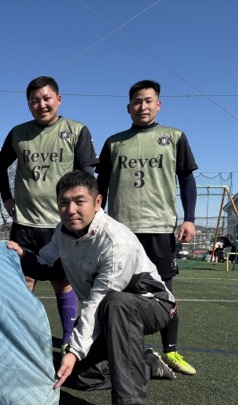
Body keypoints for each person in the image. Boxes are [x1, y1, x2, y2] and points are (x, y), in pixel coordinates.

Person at [8, 171, 176, 405]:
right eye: (64, 202)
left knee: (115, 303)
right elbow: (45, 263)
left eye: (79, 201)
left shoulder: (115, 241)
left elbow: (97, 303)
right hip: (107, 312)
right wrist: (21, 255)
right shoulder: (63, 231)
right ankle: (146, 363)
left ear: (97, 202)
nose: (70, 210)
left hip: (151, 304)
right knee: (82, 378)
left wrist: (74, 350)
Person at [97, 79, 198, 375]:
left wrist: (189, 218)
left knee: (164, 291)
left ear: (158, 104)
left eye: (148, 101)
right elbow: (101, 185)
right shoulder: (114, 142)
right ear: (128, 107)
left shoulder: (174, 137)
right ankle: (116, 350)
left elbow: (187, 179)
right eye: (137, 102)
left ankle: (171, 351)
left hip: (159, 227)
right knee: (116, 289)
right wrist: (97, 219)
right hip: (121, 230)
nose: (143, 106)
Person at [0, 76, 99, 351]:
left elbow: (87, 175)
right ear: (28, 104)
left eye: (46, 98)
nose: (41, 105)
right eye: (34, 101)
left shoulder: (76, 130)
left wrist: (84, 212)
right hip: (25, 222)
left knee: (62, 282)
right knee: (23, 282)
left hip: (60, 224)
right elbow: (0, 166)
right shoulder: (18, 133)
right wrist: (6, 197)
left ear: (58, 100)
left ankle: (68, 340)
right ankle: (19, 342)